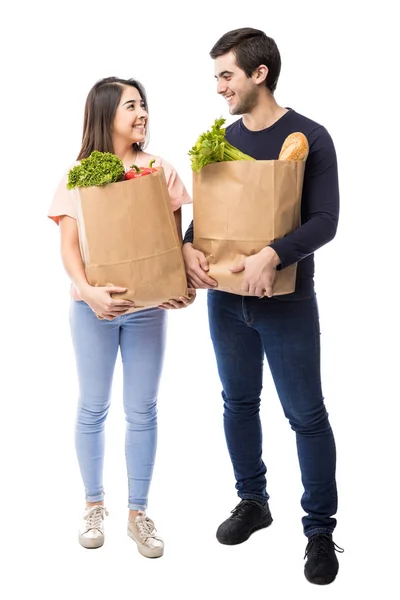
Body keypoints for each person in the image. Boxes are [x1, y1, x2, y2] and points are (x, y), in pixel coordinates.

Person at [182, 29, 343, 585]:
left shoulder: (310, 137)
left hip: (288, 303)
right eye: (217, 77)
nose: (219, 87)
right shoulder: (222, 140)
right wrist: (187, 244)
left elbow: (326, 220)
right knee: (237, 403)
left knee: (306, 416)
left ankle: (320, 532)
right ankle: (254, 502)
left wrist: (274, 253)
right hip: (226, 303)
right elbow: (208, 217)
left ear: (259, 74)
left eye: (227, 75)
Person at [48, 76, 195, 558]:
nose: (142, 113)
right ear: (105, 114)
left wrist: (180, 288)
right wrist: (89, 292)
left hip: (147, 311)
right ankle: (93, 504)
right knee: (93, 406)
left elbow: (173, 245)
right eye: (131, 106)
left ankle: (138, 513)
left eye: (144, 105)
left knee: (143, 409)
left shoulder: (160, 170)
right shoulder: (80, 174)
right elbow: (69, 249)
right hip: (92, 309)